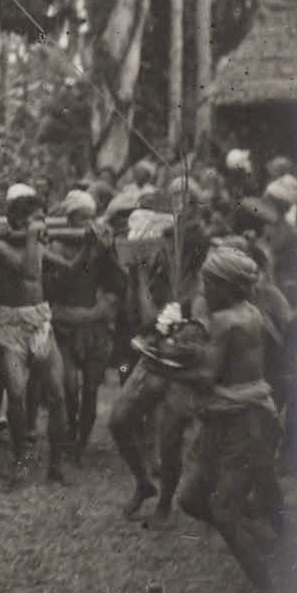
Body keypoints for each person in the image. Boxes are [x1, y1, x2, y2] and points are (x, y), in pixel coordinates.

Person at [177, 245, 284, 593]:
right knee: (191, 498)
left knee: (223, 511)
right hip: (232, 415)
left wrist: (166, 364)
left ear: (227, 286)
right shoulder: (248, 311)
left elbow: (207, 377)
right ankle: (261, 536)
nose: (204, 291)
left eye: (209, 283)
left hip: (243, 421)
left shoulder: (226, 320)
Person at [108, 219, 211, 520]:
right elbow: (135, 316)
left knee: (170, 440)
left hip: (181, 369)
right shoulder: (159, 273)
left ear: (187, 253)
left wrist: (139, 278)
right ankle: (143, 484)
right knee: (118, 421)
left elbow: (153, 319)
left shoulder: (202, 286)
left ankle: (165, 502)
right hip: (153, 358)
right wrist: (135, 277)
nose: (162, 253)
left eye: (169, 248)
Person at [0, 183, 68, 482]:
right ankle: (21, 459)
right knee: (16, 394)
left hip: (40, 319)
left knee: (57, 395)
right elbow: (29, 270)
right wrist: (32, 236)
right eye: (37, 218)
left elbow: (66, 267)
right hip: (12, 324)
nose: (42, 223)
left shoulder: (36, 241)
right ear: (21, 221)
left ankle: (56, 466)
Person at [49, 189, 123, 460]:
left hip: (94, 327)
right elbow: (66, 277)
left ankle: (81, 442)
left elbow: (117, 279)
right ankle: (69, 433)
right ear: (70, 218)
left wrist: (108, 251)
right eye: (83, 217)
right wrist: (88, 249)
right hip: (67, 322)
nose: (90, 222)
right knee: (69, 387)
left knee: (91, 388)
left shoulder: (101, 247)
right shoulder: (56, 245)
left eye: (93, 216)